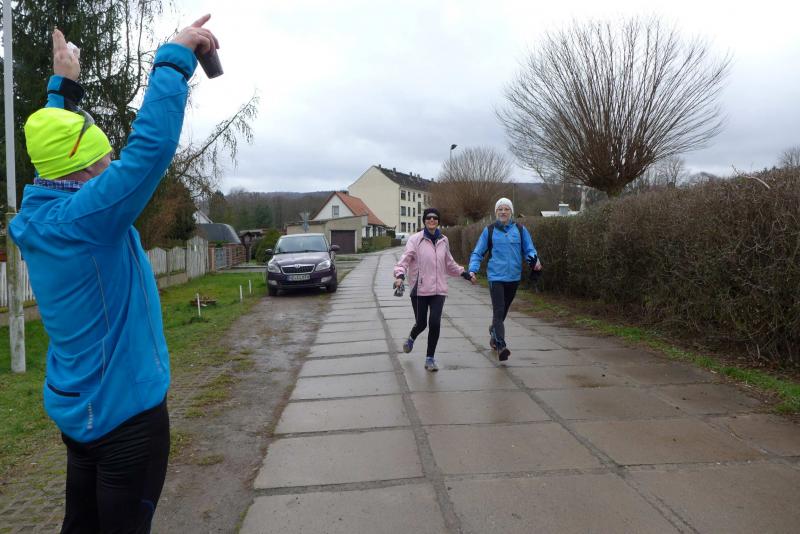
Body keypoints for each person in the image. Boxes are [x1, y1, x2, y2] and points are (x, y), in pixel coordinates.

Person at [9, 16, 219, 533]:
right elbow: (149, 151)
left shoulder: (39, 213)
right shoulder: (91, 221)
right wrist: (173, 59)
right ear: (83, 174)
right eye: (103, 161)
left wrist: (63, 87)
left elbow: (54, 152)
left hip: (80, 413)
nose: (110, 167)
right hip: (126, 418)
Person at [394, 208, 475, 371]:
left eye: (435, 218)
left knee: (435, 323)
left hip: (439, 290)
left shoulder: (444, 240)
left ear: (438, 221)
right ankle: (411, 338)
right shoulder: (415, 240)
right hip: (419, 290)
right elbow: (404, 260)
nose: (432, 220)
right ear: (424, 221)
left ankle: (430, 358)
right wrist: (399, 275)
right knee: (421, 323)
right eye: (429, 218)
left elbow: (449, 263)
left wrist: (465, 274)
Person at [468, 198, 541, 362]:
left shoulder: (520, 230)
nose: (503, 212)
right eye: (500, 209)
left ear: (511, 212)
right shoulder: (489, 231)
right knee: (499, 311)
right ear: (496, 212)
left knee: (503, 312)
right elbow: (478, 252)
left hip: (514, 277)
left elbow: (529, 249)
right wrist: (472, 270)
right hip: (496, 277)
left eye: (506, 209)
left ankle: (494, 331)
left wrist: (535, 261)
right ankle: (501, 346)